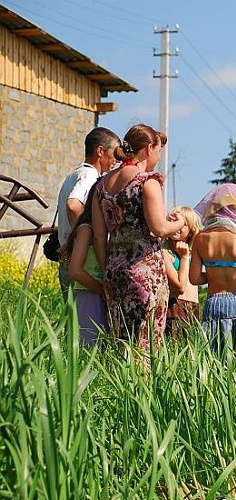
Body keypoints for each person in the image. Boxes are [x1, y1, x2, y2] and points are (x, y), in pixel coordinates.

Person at [92, 124, 185, 350]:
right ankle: (143, 385)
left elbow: (99, 235)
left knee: (120, 341)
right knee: (146, 342)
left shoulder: (101, 184)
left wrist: (108, 267)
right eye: (159, 150)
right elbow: (160, 228)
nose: (159, 156)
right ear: (149, 148)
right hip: (145, 271)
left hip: (115, 270)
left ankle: (120, 384)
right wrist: (180, 223)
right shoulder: (147, 181)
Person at [190, 183, 236, 353]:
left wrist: (213, 273)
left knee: (215, 356)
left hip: (213, 303)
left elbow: (194, 279)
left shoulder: (201, 238)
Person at [55, 127, 120, 294]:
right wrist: (85, 237)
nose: (116, 160)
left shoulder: (74, 174)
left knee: (72, 317)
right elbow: (74, 205)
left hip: (70, 258)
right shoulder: (89, 175)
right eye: (115, 153)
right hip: (83, 261)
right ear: (100, 151)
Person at [63, 184, 107, 346]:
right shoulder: (86, 230)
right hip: (88, 295)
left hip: (95, 294)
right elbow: (75, 271)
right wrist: (101, 289)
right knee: (89, 345)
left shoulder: (98, 231)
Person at [162, 206, 201, 339]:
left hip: (193, 309)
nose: (176, 227)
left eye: (183, 224)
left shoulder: (194, 255)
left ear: (191, 231)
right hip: (174, 309)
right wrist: (183, 258)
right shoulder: (165, 253)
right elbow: (180, 287)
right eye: (172, 222)